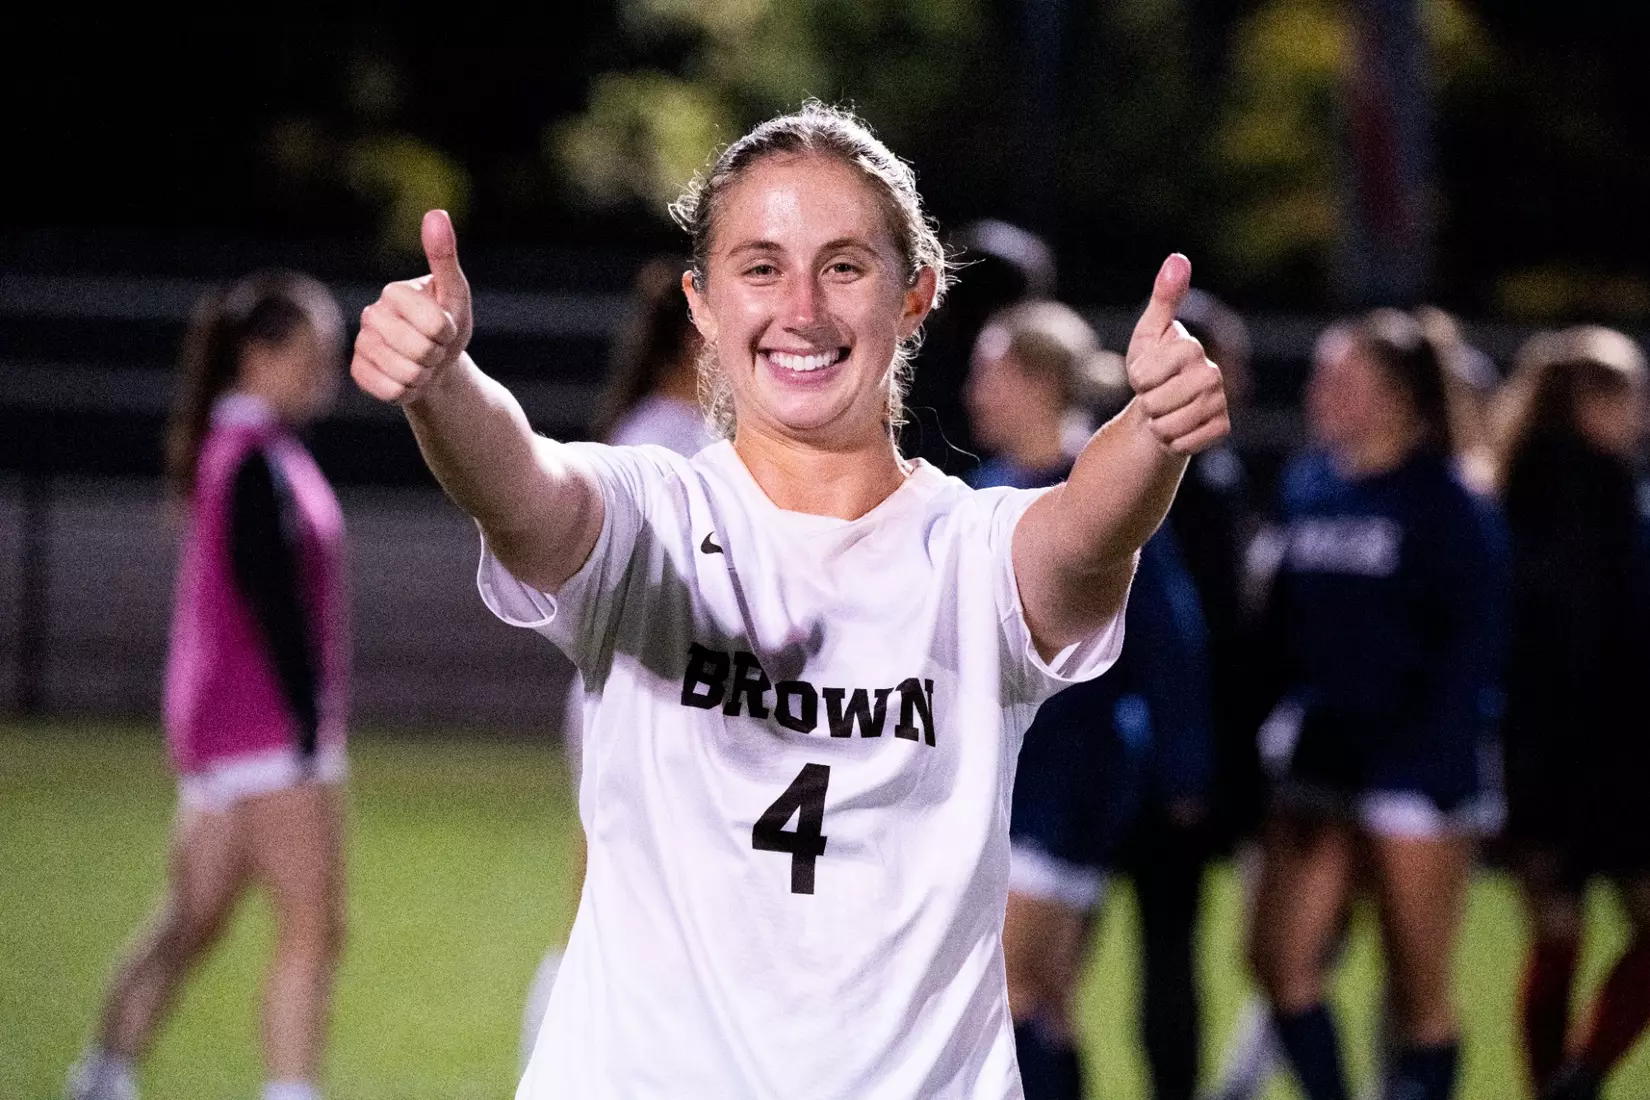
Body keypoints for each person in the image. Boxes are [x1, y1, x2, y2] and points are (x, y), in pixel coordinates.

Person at [348, 102, 1228, 1098]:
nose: (801, 307)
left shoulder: (969, 549)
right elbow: (526, 491)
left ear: (916, 295)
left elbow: (1082, 528)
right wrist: (444, 383)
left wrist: (1156, 428)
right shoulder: (655, 512)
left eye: (845, 265)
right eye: (760, 266)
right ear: (702, 306)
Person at [68, 273, 350, 1100]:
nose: (323, 375)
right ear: (258, 356)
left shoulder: (238, 447)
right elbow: (271, 603)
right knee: (312, 927)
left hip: (224, 729)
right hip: (266, 731)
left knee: (192, 921)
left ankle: (102, 1075)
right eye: (311, 357)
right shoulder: (254, 456)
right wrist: (307, 727)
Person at [1246, 309, 1505, 1100]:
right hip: (1325, 762)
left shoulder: (1449, 506)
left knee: (1416, 988)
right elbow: (1284, 629)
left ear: (1398, 397)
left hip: (1417, 770)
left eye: (1343, 380)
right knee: (1280, 961)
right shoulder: (1309, 486)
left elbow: (1477, 649)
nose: (1320, 393)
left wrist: (1439, 758)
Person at [969, 301, 1215, 1100]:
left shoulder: (1097, 486)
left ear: (1037, 380)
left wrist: (1184, 769)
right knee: (1045, 1001)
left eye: (990, 371)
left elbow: (1167, 635)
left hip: (1069, 776)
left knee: (1003, 994)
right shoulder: (983, 488)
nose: (976, 391)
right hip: (997, 775)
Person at [520, 254, 713, 1067]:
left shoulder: (683, 433)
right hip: (643, 696)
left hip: (666, 698)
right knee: (609, 914)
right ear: (690, 345)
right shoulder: (663, 443)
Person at [1492, 326, 1650, 1100]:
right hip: (1617, 751)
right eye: (1632, 394)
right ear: (1589, 402)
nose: (1643, 412)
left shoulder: (1508, 490)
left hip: (1532, 751)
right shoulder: (1616, 500)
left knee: (1554, 932)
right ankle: (1579, 1078)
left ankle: (1549, 1085)